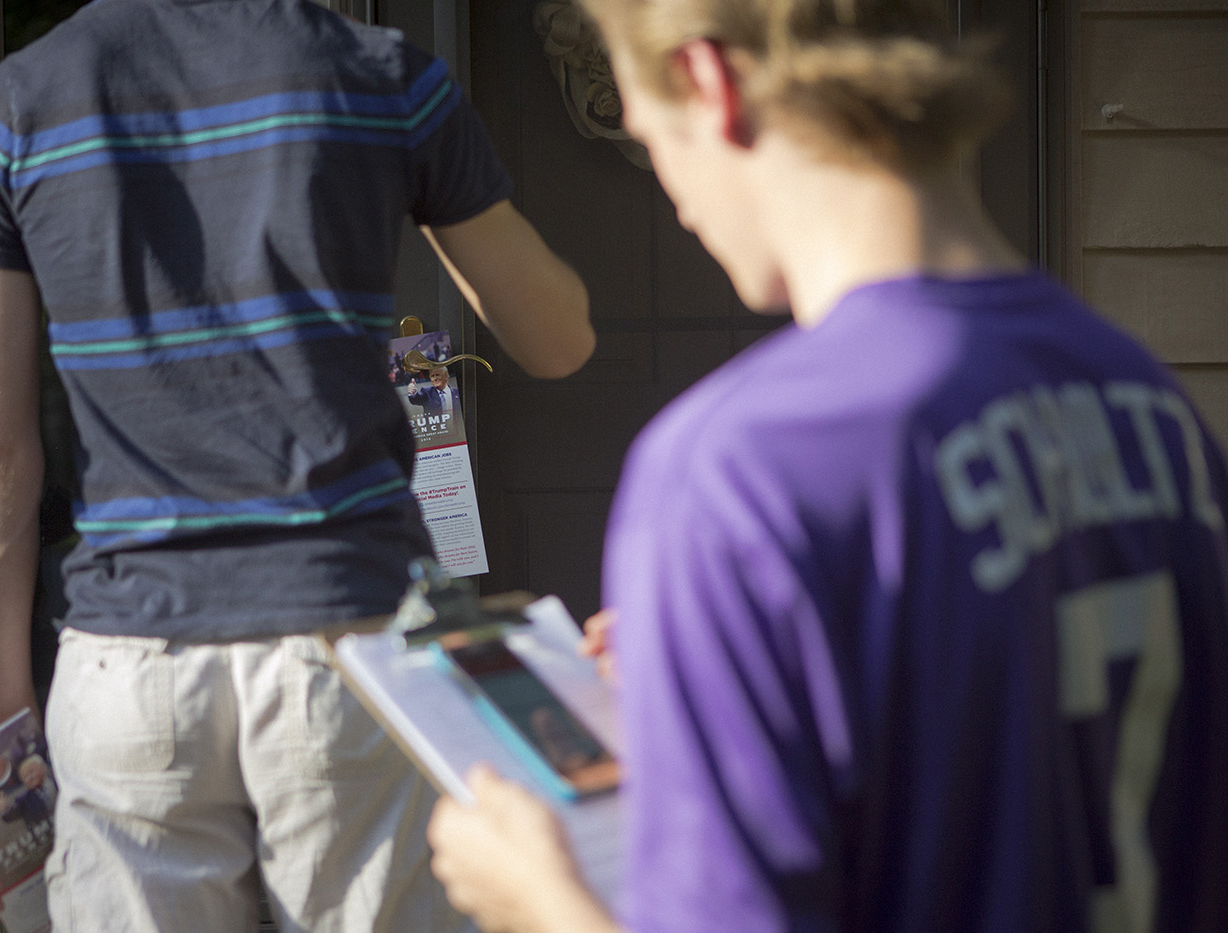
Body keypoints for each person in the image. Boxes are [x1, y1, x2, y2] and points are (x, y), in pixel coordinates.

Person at [426, 0, 1228, 931]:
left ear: (710, 82)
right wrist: (740, 656)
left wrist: (536, 899)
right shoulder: (1142, 397)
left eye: (649, 135)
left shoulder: (740, 467)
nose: (676, 200)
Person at [0, 1, 594, 930]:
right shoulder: (384, 76)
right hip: (350, 652)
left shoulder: (12, 105)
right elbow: (557, 339)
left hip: (131, 673)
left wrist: (0, 755)